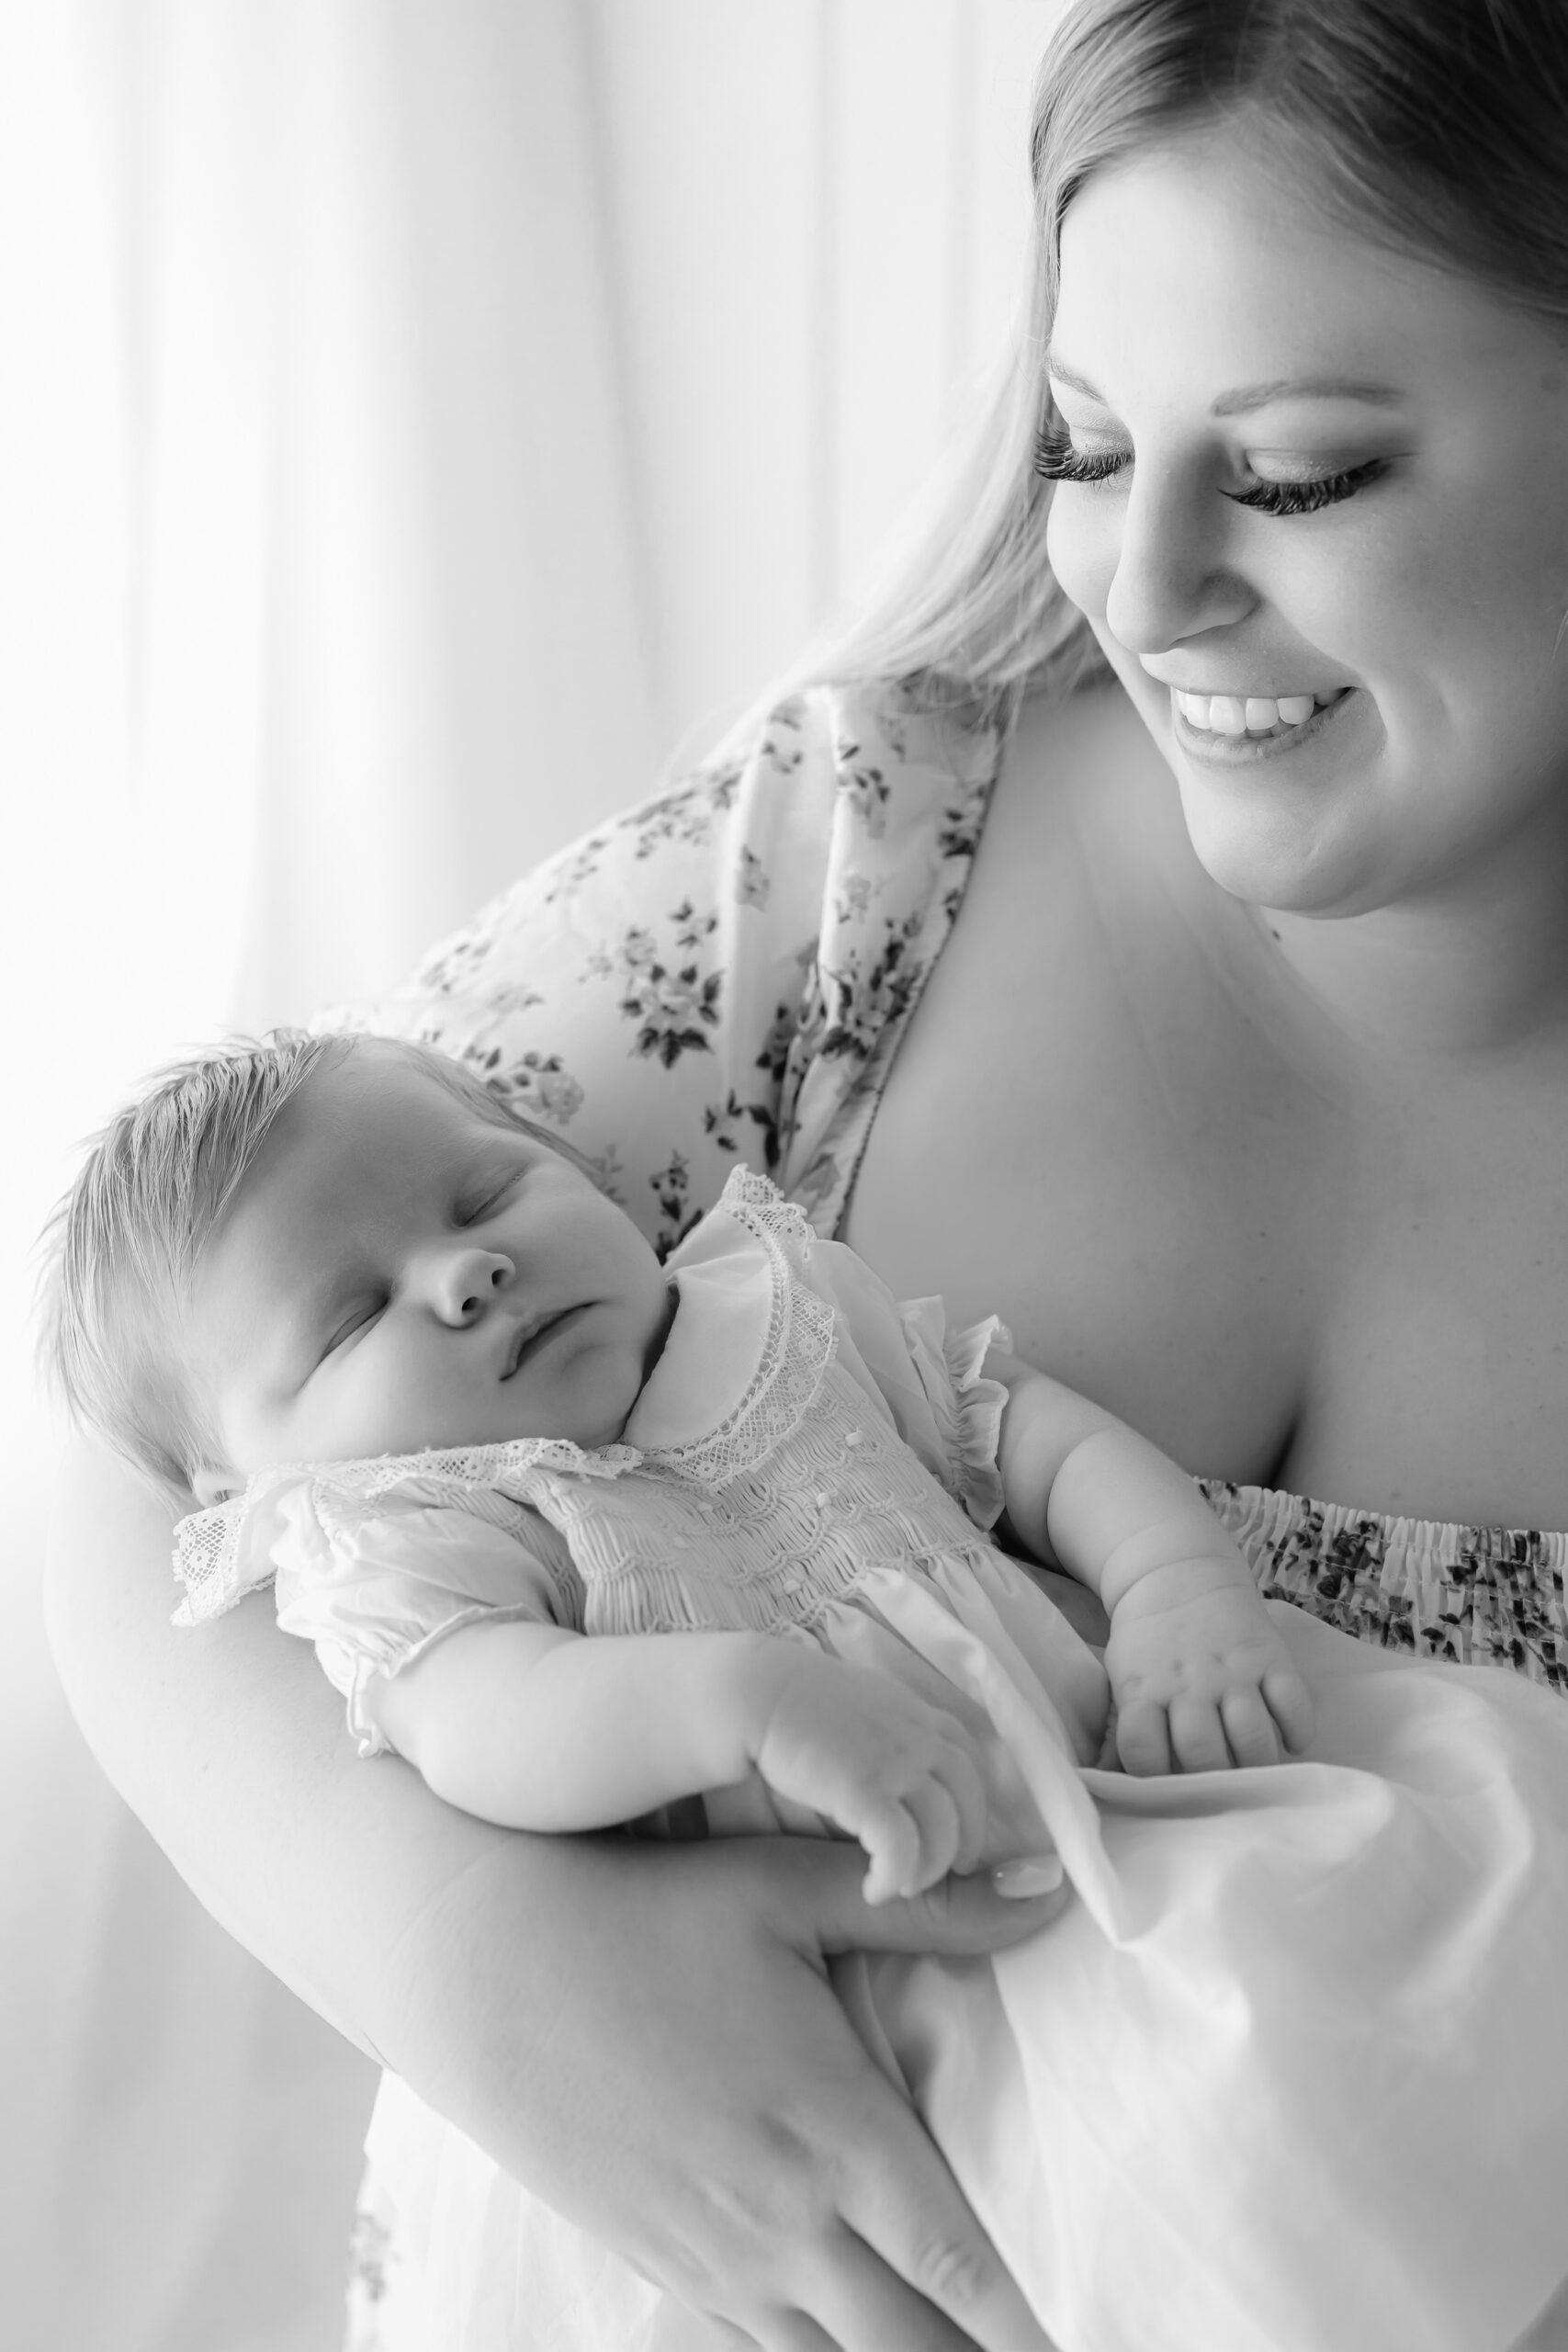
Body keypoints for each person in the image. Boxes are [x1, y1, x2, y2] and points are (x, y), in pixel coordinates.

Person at [42, 0, 1568, 2346]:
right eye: (1076, 442)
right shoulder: (856, 861)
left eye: (1289, 477)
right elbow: (131, 1415)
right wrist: (486, 1967)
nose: (1134, 586)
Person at [39, 1023, 1568, 2352]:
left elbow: (1035, 1443)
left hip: (1107, 1818)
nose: (463, 1271)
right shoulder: (419, 1535)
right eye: (352, 1317)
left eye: (487, 1190)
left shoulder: (779, 1312)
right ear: (240, 1495)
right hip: (777, 2023)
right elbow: (485, 1717)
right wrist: (743, 1705)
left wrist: (1174, 1590)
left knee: (1343, 1993)